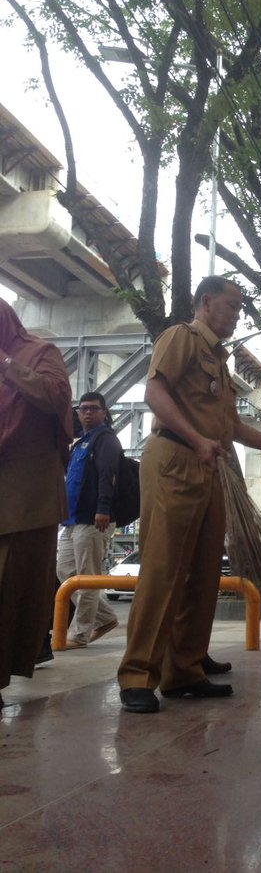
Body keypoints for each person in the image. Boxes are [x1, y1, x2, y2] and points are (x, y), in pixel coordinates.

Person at [117, 276, 261, 714]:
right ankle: (138, 675)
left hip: (210, 465)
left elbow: (229, 426)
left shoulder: (219, 361)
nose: (238, 314)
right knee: (164, 570)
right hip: (176, 460)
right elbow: (155, 391)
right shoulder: (180, 337)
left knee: (203, 572)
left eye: (240, 307)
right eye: (233, 305)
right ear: (206, 303)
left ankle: (183, 671)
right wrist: (197, 440)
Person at [0, 300, 72, 708]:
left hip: (25, 493)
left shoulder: (39, 352)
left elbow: (55, 397)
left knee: (11, 588)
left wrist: (6, 363)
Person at [56, 391, 122, 648]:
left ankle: (79, 634)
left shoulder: (106, 440)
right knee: (65, 571)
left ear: (104, 413)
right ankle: (105, 617)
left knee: (87, 575)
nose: (87, 413)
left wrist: (103, 508)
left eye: (94, 409)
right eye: (83, 409)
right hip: (73, 520)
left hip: (94, 519)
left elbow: (108, 475)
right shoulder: (81, 442)